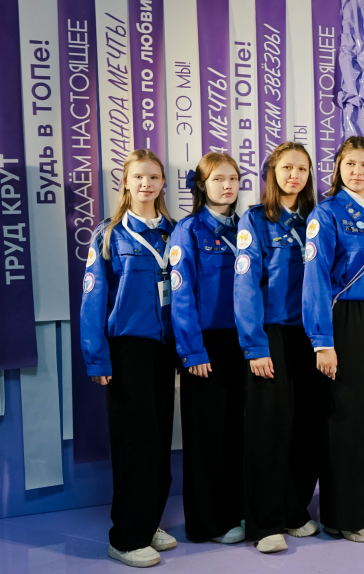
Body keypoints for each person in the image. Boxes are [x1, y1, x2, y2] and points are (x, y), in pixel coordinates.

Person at [80, 149, 178, 568]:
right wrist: (97, 358)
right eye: (138, 176)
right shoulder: (109, 234)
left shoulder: (174, 232)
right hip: (127, 350)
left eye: (153, 177)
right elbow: (93, 298)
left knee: (158, 442)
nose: (146, 184)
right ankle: (125, 537)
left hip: (164, 347)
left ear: (163, 183)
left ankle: (147, 522)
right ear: (125, 182)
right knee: (135, 443)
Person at [304, 135, 364, 542]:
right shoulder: (326, 213)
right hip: (343, 319)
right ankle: (344, 516)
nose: (358, 172)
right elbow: (315, 279)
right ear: (338, 169)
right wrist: (323, 341)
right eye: (350, 164)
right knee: (347, 418)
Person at [235, 142, 321, 553]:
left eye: (302, 169)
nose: (294, 176)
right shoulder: (256, 219)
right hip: (271, 333)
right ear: (272, 172)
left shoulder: (316, 218)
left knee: (306, 426)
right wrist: (255, 345)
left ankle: (293, 509)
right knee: (269, 428)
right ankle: (265, 522)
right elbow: (246, 285)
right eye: (287, 168)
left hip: (311, 334)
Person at [168, 152, 245, 545]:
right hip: (205, 345)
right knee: (206, 437)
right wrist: (192, 351)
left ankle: (234, 512)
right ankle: (206, 524)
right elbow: (181, 296)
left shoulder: (246, 227)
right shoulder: (189, 230)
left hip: (242, 342)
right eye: (218, 179)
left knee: (236, 433)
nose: (227, 186)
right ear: (201, 185)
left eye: (233, 178)